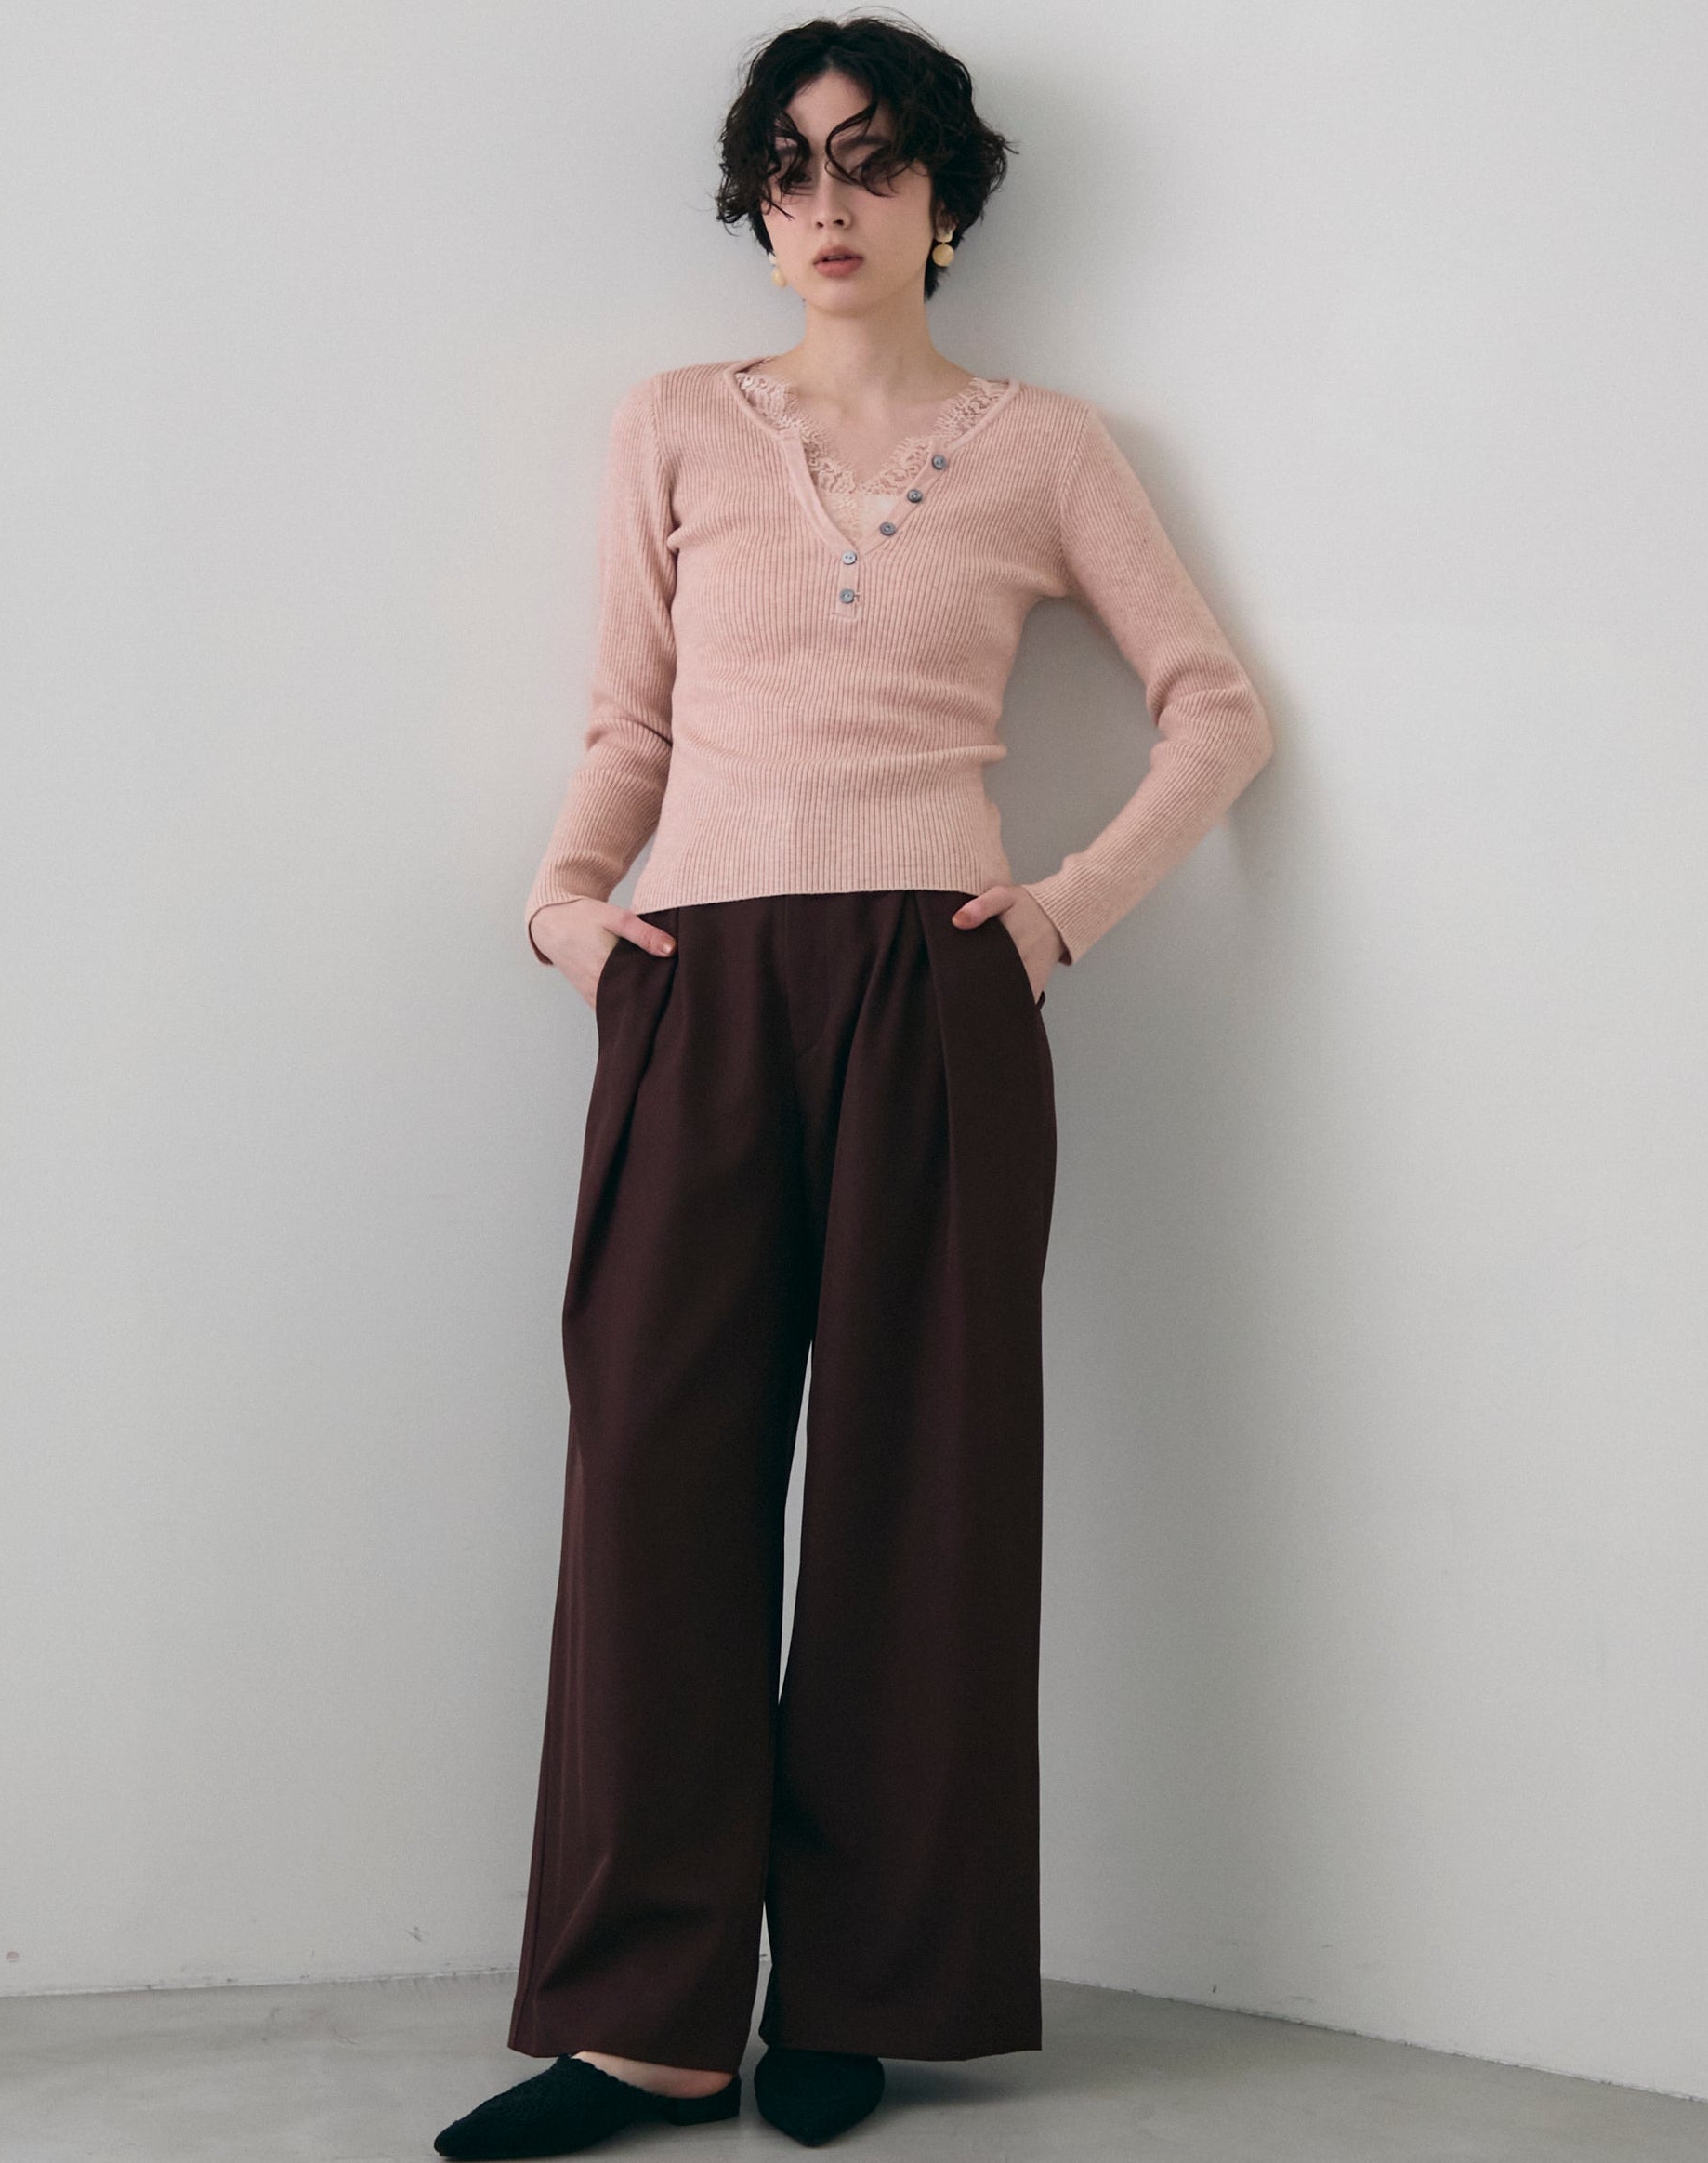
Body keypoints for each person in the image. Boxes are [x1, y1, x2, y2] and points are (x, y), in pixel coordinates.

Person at [433, 15, 1273, 2158]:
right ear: (755, 199)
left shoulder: (1049, 448)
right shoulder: (668, 426)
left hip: (936, 983)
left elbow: (1214, 710)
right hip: (693, 982)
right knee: (653, 1488)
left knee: (925, 1499)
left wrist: (1058, 917)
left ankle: (865, 1995)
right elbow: (629, 721)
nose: (827, 203)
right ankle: (648, 2023)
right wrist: (561, 907)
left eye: (873, 162)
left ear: (946, 202)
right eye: (791, 166)